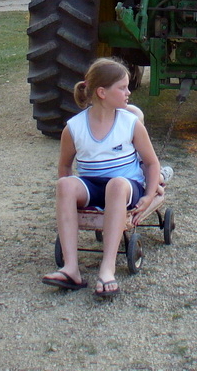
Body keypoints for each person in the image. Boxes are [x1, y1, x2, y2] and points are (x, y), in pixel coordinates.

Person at [41, 58, 163, 299]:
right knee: (64, 184)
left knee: (116, 184)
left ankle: (107, 270)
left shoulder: (131, 123)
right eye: (122, 87)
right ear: (101, 92)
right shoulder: (74, 127)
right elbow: (65, 166)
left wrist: (149, 195)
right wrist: (70, 199)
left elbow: (151, 162)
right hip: (93, 185)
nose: (128, 92)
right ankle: (71, 269)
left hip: (126, 186)